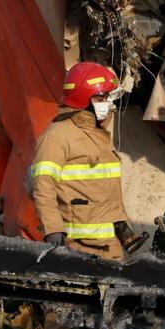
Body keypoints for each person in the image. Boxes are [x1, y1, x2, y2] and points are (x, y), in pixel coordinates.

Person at [28, 61, 128, 260]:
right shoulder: (57, 136)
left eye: (107, 97)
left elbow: (104, 188)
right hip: (77, 247)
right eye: (100, 98)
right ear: (84, 99)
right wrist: (53, 230)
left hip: (109, 244)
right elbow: (43, 186)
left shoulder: (97, 134)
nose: (107, 103)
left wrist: (122, 224)